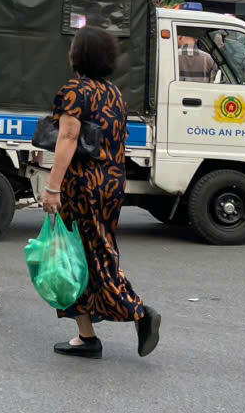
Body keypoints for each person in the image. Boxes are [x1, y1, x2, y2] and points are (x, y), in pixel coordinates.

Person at [34, 26, 159, 357]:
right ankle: (86, 336)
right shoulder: (114, 93)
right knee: (90, 254)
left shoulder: (75, 91)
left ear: (79, 55)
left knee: (87, 257)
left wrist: (52, 187)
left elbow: (68, 139)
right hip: (110, 183)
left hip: (82, 185)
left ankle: (138, 311)